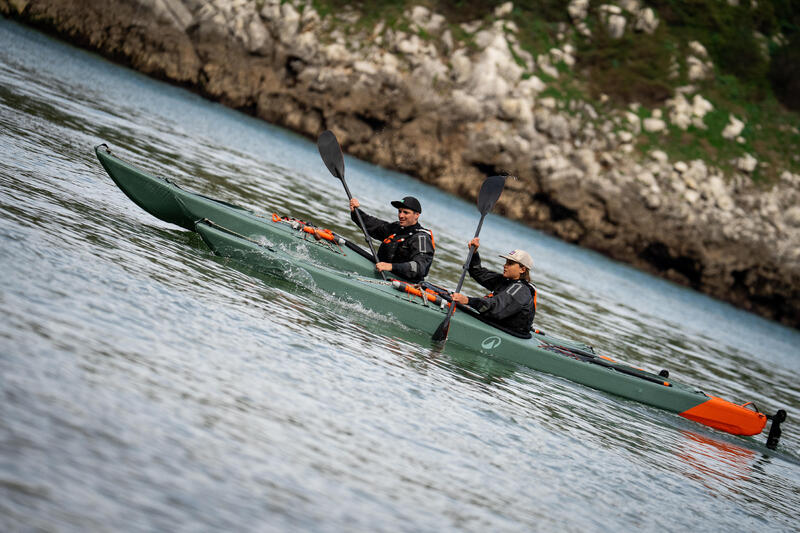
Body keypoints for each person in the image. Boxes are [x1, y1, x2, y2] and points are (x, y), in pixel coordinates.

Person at [451, 238, 536, 336]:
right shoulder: (506, 281)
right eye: (506, 262)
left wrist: (467, 300)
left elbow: (494, 308)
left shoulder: (520, 290)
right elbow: (478, 272)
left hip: (511, 333)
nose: (505, 265)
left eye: (510, 263)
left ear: (522, 269)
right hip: (499, 325)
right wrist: (474, 253)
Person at [349, 195, 434, 282]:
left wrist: (391, 266)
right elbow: (374, 225)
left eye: (406, 212)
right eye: (399, 211)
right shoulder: (396, 228)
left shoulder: (421, 238)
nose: (401, 215)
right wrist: (356, 212)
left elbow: (419, 267)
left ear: (416, 215)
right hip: (383, 275)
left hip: (404, 284)